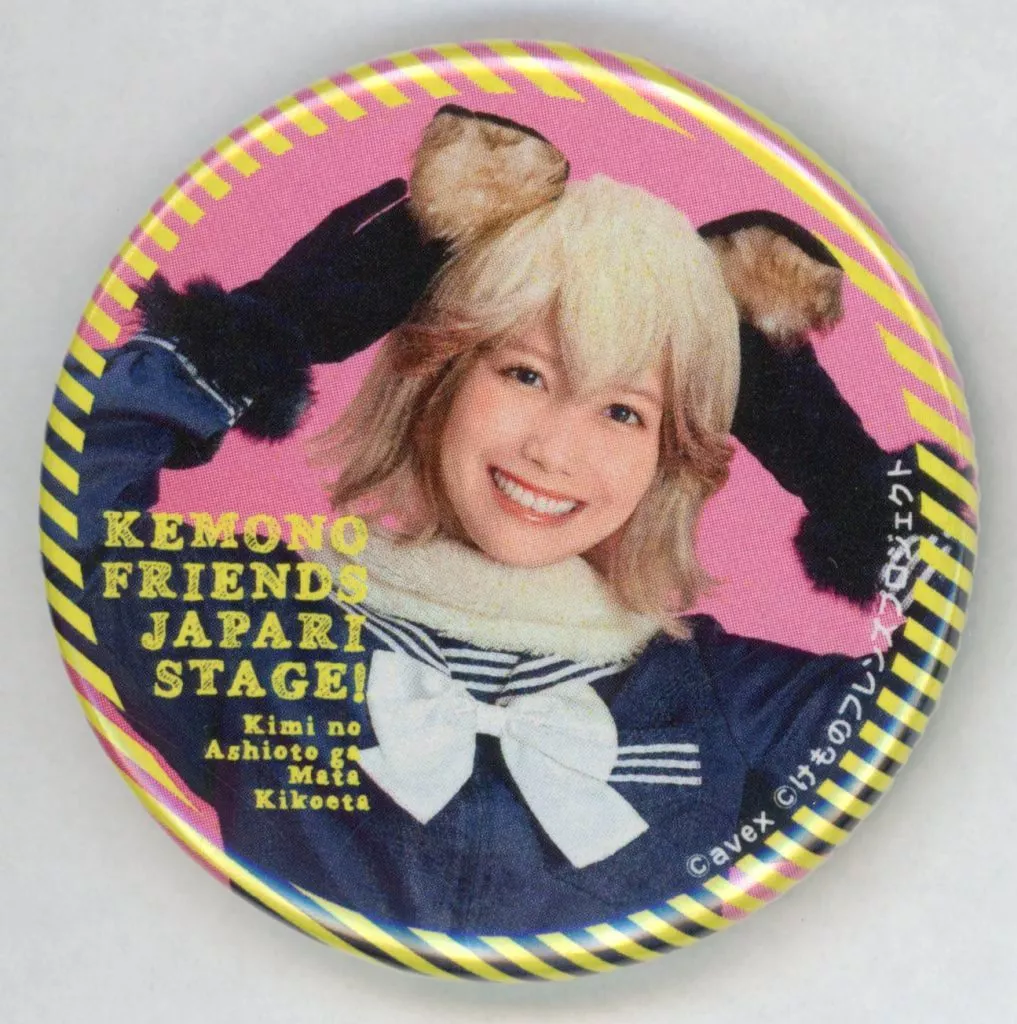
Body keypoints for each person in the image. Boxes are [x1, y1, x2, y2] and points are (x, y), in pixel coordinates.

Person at [43, 105, 965, 934]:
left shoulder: (730, 703)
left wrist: (834, 466)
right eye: (524, 374)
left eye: (624, 412)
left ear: (671, 456)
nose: (552, 451)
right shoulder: (258, 633)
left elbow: (963, 702)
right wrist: (265, 327)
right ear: (439, 376)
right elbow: (61, 526)